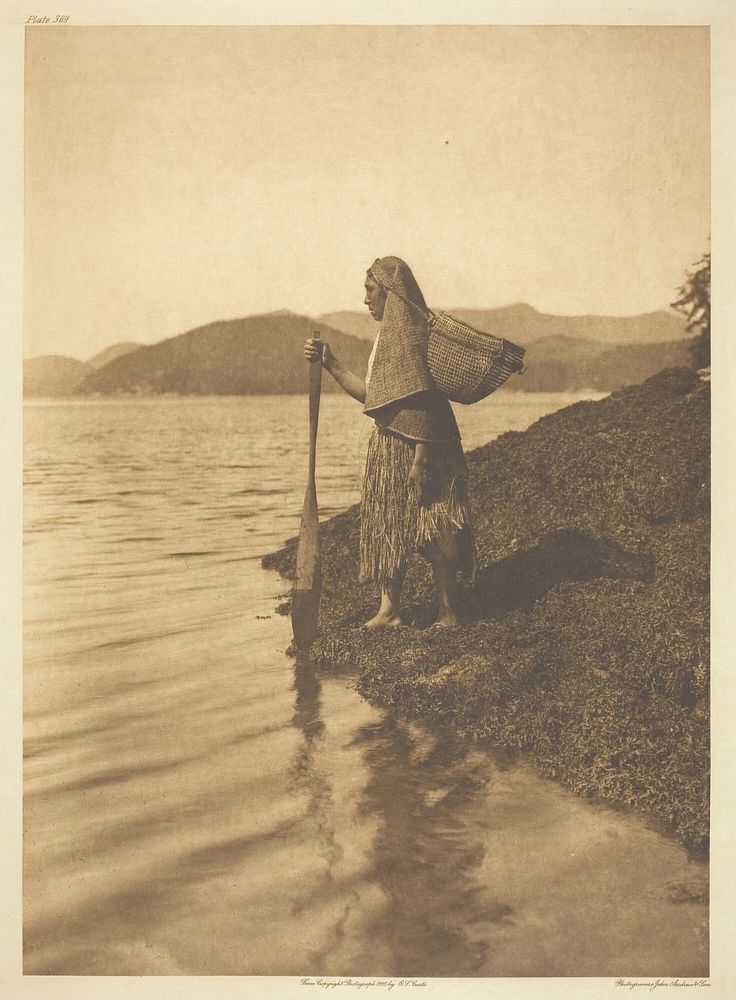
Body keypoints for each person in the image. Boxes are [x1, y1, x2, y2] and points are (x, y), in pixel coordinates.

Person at [304, 256, 474, 629]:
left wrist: (420, 460)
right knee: (390, 526)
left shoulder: (414, 339)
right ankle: (390, 610)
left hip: (422, 449)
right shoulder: (385, 341)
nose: (365, 300)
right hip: (389, 445)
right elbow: (373, 396)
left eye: (370, 291)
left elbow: (425, 403)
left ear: (391, 294)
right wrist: (331, 363)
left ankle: (448, 613)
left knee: (433, 526)